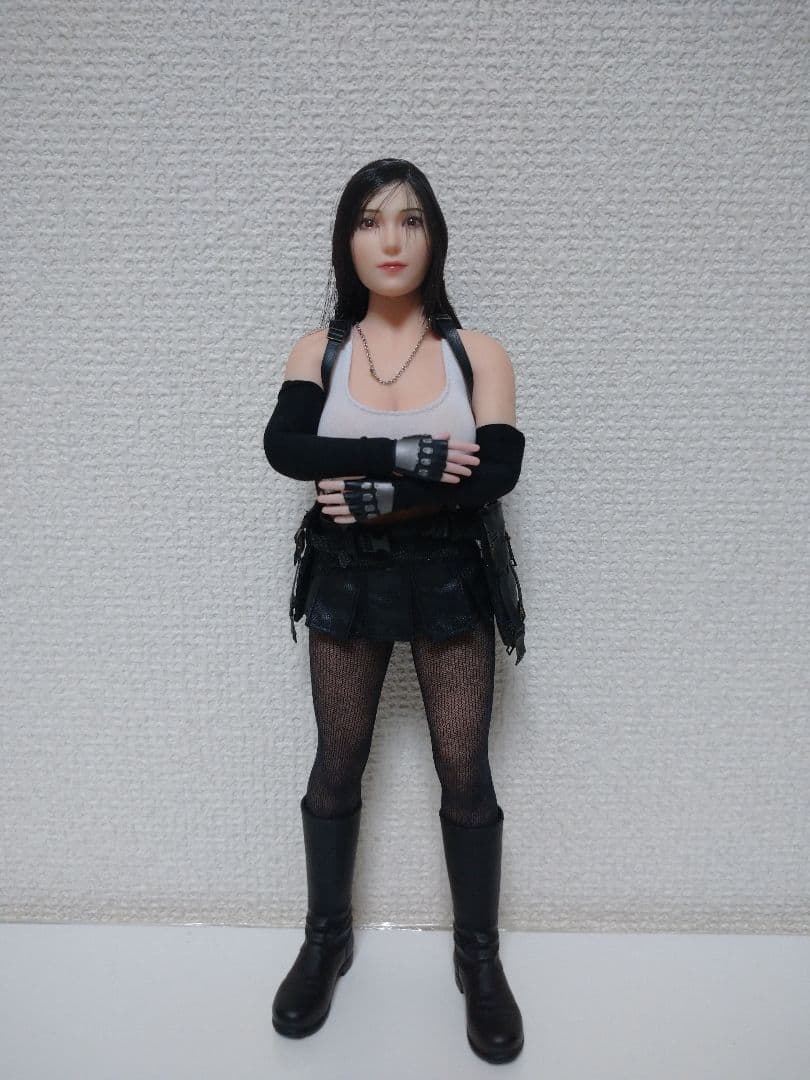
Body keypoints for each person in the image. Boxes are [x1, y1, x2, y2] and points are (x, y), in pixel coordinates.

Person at [263, 158, 526, 1064]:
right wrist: (406, 455)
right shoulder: (322, 350)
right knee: (338, 759)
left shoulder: (476, 351)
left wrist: (386, 495)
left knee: (464, 766)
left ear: (434, 237)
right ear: (346, 240)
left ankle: (478, 958)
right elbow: (286, 448)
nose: (390, 240)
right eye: (370, 220)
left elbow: (496, 471)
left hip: (450, 574)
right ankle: (326, 940)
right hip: (347, 577)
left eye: (410, 220)